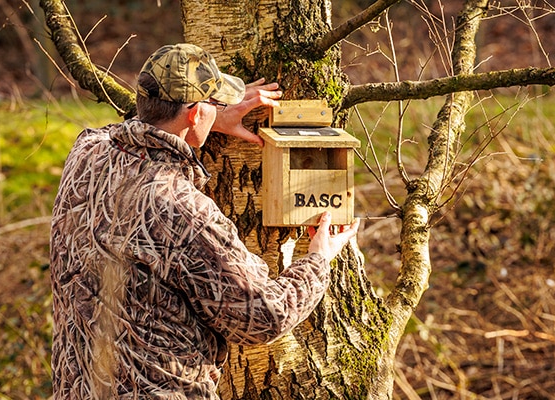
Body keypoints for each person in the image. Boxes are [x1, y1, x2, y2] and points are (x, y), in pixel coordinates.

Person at [50, 43, 359, 399]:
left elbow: (132, 131)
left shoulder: (87, 151)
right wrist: (318, 259)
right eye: (215, 104)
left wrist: (203, 123)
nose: (219, 110)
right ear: (196, 113)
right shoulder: (181, 208)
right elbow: (265, 316)